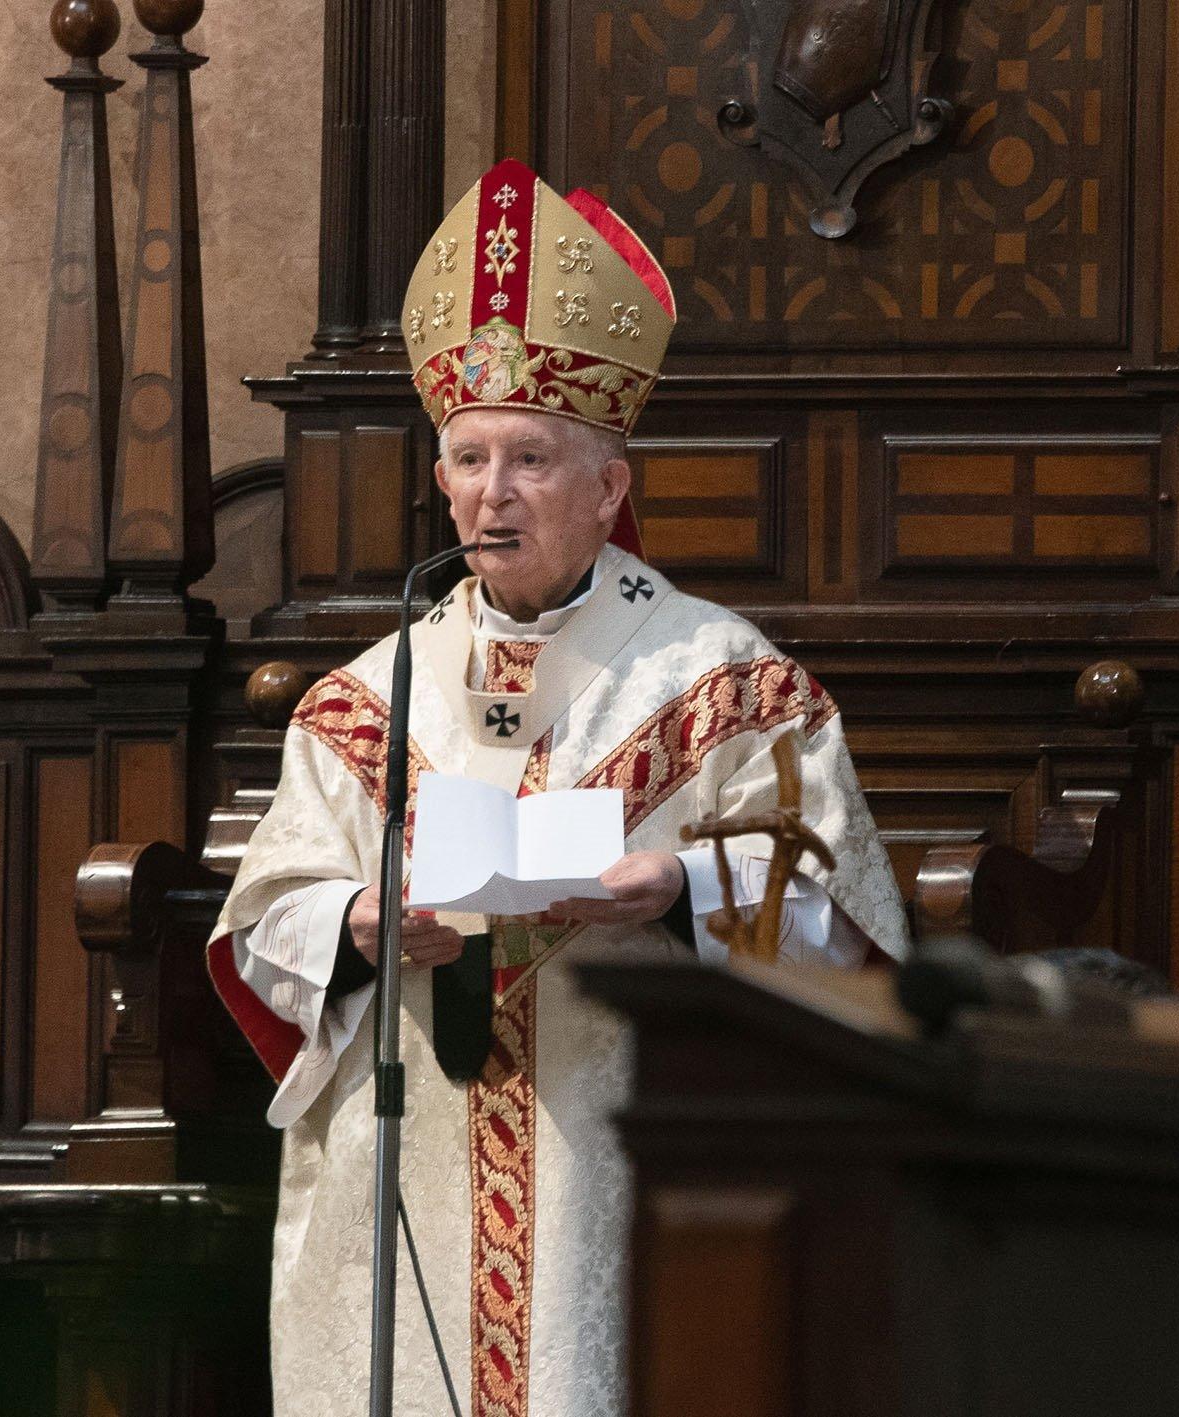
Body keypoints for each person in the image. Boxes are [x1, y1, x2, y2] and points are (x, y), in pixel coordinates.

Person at [206, 159, 909, 1417]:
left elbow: (841, 911)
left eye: (530, 458)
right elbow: (262, 922)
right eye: (468, 458)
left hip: (632, 1144)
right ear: (437, 481)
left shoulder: (725, 681)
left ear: (608, 488)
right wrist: (358, 925)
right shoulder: (366, 696)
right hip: (409, 1152)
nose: (492, 491)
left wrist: (680, 884)